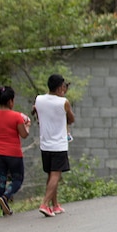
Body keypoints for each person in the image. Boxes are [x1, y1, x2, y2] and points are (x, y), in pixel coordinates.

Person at [0, 86, 30, 216]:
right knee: (17, 179)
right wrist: (27, 126)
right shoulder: (17, 117)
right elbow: (24, 135)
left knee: (0, 179)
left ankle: (4, 208)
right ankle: (6, 197)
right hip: (13, 153)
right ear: (10, 101)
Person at [33, 74, 75, 217]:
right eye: (64, 86)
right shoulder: (63, 102)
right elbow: (71, 119)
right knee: (56, 175)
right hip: (58, 145)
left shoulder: (39, 99)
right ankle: (44, 204)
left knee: (51, 175)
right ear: (59, 88)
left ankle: (55, 205)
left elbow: (35, 110)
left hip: (45, 144)